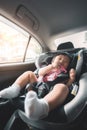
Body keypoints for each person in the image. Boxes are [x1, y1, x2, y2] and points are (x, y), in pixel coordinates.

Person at [0, 52, 76, 120]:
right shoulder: (48, 67)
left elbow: (68, 86)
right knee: (29, 73)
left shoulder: (65, 74)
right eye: (59, 59)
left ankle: (41, 108)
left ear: (68, 66)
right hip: (36, 85)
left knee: (63, 87)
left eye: (66, 62)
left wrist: (71, 79)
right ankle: (14, 89)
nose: (62, 61)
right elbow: (40, 73)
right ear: (53, 61)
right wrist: (51, 67)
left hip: (50, 92)